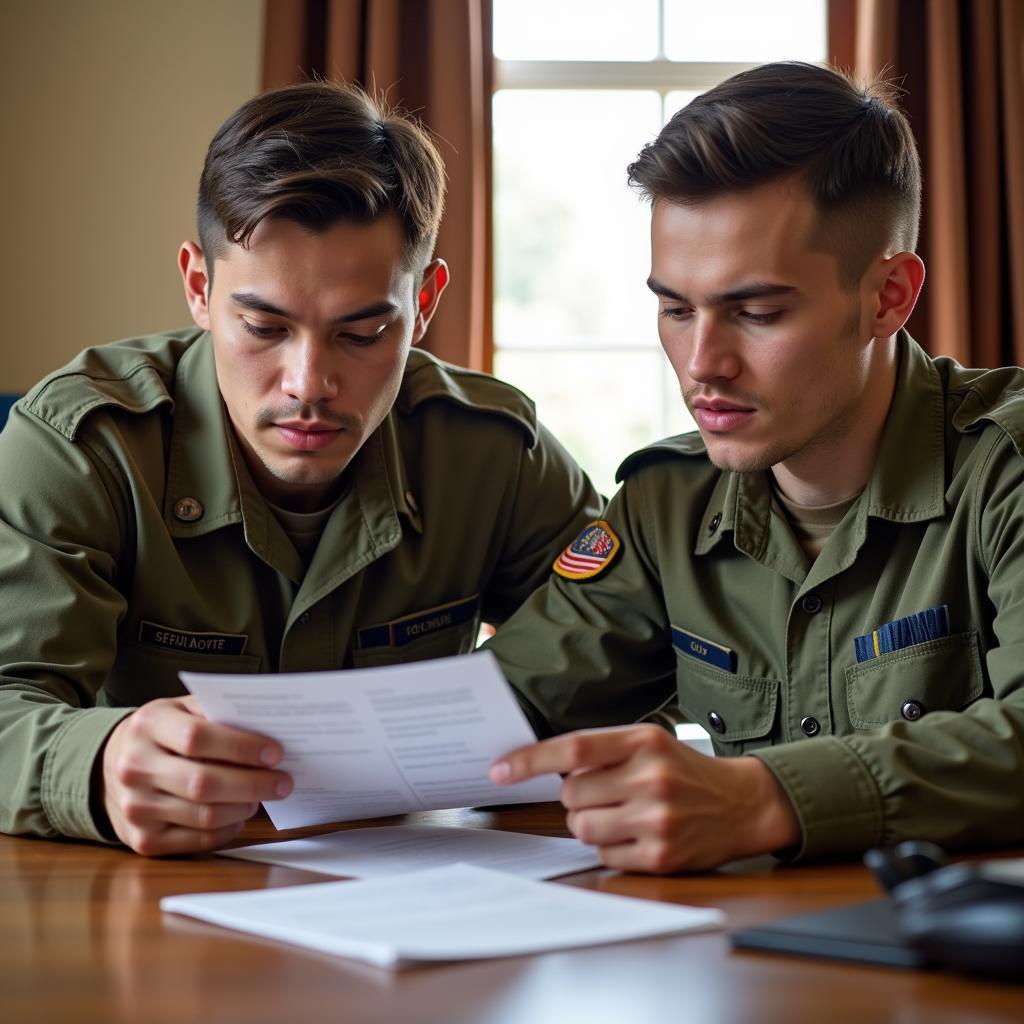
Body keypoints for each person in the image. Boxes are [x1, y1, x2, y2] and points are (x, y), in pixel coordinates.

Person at [0, 82, 600, 856]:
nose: (308, 382)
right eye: (263, 326)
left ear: (424, 305)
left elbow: (624, 658)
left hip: (420, 884)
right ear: (197, 287)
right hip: (157, 897)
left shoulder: (493, 450)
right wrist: (96, 764)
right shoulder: (80, 446)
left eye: (362, 331)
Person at [485, 61, 1024, 873]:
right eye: (674, 308)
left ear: (889, 297)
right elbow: (495, 710)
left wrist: (767, 796)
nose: (703, 364)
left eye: (757, 312)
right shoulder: (666, 503)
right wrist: (258, 755)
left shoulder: (1006, 469)